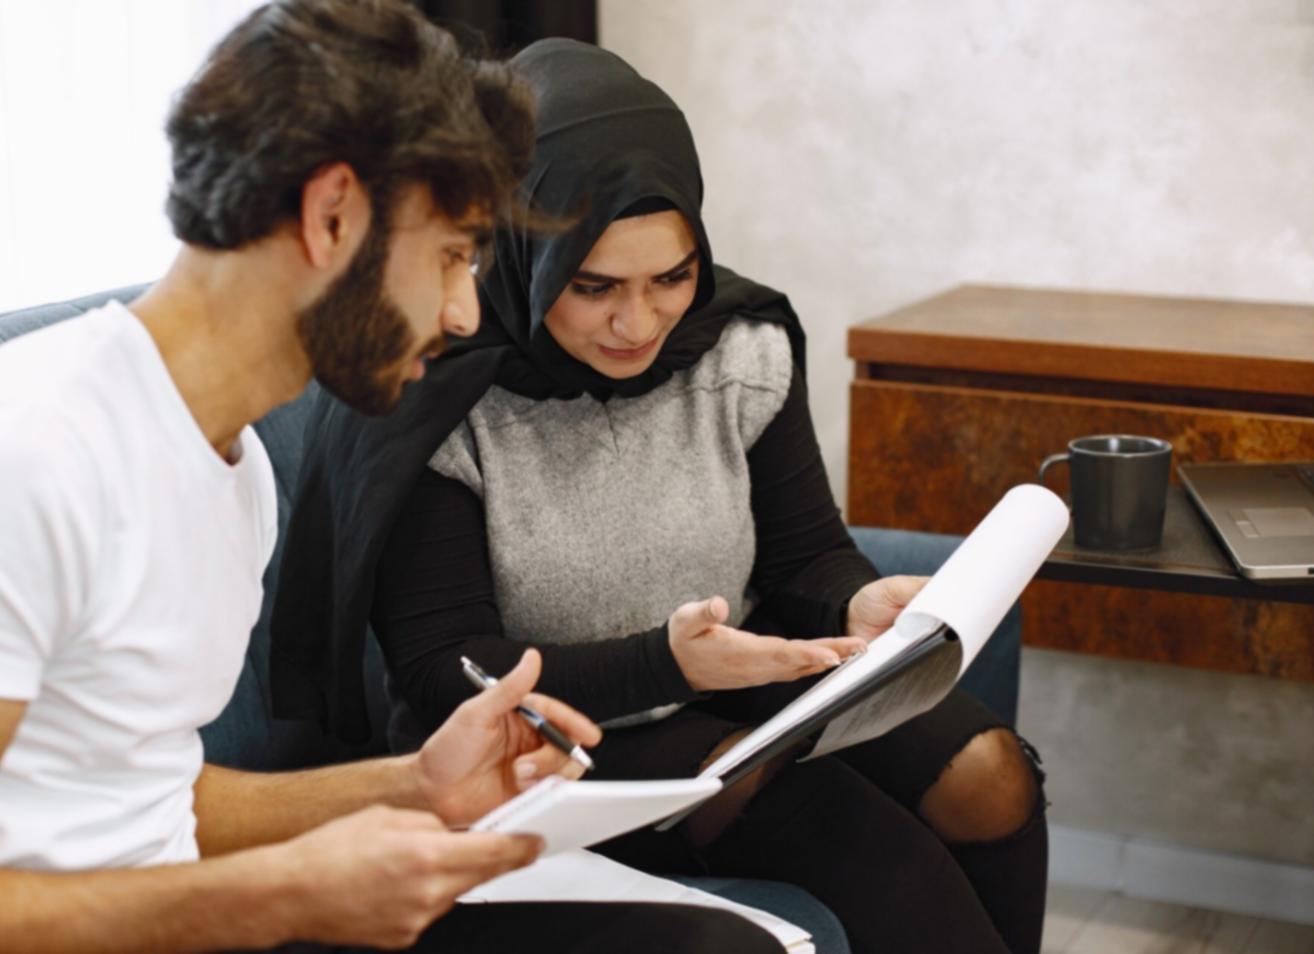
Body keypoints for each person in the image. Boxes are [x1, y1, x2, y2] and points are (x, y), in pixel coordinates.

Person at [0, 5, 790, 952]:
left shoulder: (225, 463)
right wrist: (273, 898)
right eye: (452, 256)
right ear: (333, 216)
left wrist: (412, 786)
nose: (463, 312)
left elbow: (140, 791)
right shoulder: (18, 464)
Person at [273, 38, 1050, 954]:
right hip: (557, 745)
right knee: (837, 823)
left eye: (670, 277)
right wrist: (670, 665)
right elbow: (448, 672)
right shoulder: (441, 395)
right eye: (593, 286)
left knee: (993, 774)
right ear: (521, 258)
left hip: (744, 694)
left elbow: (803, 557)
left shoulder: (739, 346)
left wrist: (855, 596)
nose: (637, 323)